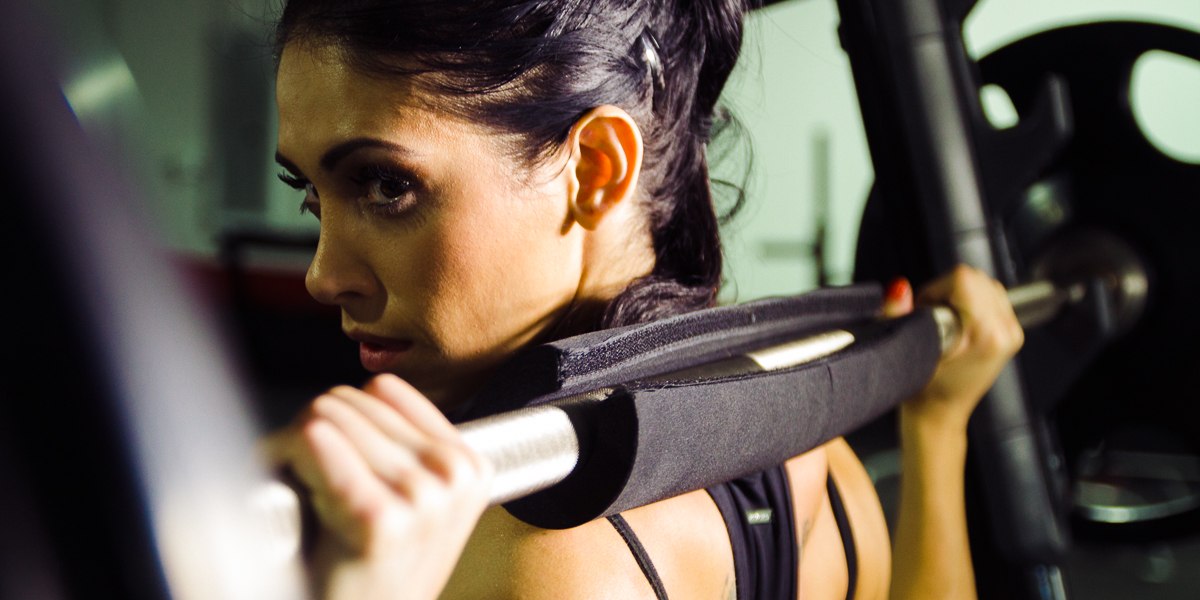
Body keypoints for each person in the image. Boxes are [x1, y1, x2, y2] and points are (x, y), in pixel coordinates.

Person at [263, 1, 1024, 599]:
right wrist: (938, 429)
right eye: (312, 196)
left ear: (595, 170)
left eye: (386, 185)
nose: (325, 276)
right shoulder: (810, 450)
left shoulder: (517, 561)